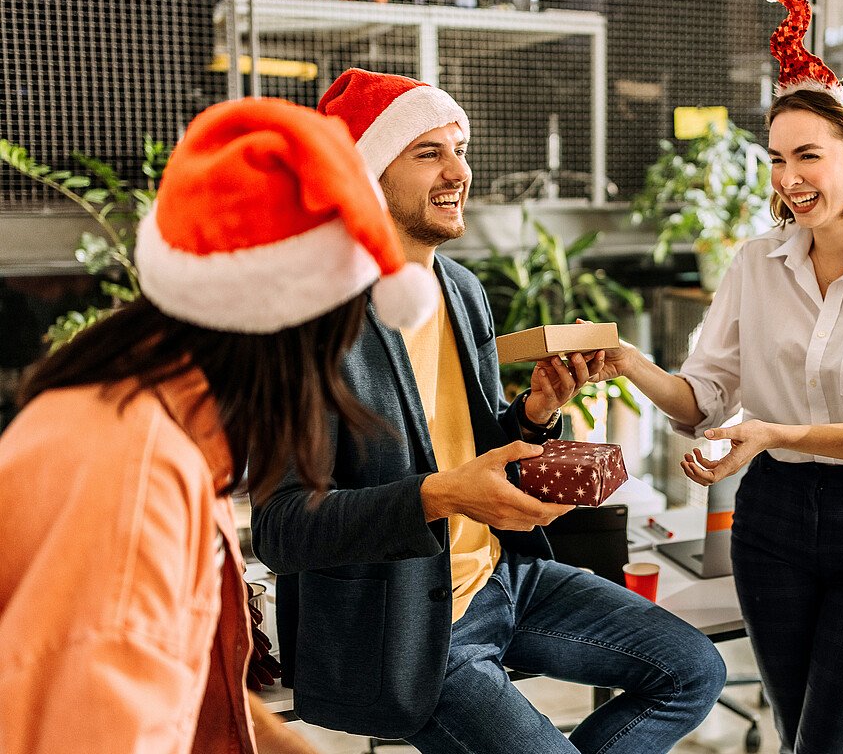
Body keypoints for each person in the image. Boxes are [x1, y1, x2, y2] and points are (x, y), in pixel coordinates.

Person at [250, 68, 725, 754]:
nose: (458, 171)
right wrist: (439, 497)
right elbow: (281, 528)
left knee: (693, 670)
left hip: (504, 577)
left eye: (460, 148)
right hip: (409, 632)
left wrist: (534, 416)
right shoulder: (304, 320)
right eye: (428, 152)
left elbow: (472, 451)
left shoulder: (460, 290)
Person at [589, 0, 843, 754]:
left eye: (808, 157)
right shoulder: (755, 263)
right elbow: (701, 399)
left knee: (834, 744)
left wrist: (770, 431)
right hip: (770, 524)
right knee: (801, 734)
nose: (787, 179)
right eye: (776, 159)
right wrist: (630, 362)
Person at [0, 97, 440, 753]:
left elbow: (186, 690)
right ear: (289, 336)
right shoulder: (136, 479)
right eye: (336, 348)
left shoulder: (138, 412)